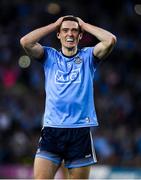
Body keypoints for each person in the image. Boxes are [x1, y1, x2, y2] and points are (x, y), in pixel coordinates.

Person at [20, 15, 116, 179]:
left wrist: (84, 25)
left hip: (79, 132)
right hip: (52, 130)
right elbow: (25, 42)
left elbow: (110, 40)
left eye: (74, 30)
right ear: (58, 34)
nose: (69, 34)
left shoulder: (88, 57)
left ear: (80, 35)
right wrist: (54, 25)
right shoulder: (49, 56)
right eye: (64, 30)